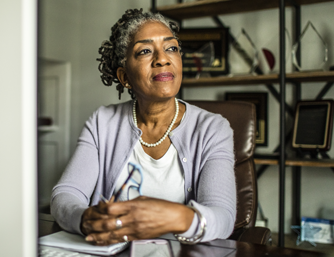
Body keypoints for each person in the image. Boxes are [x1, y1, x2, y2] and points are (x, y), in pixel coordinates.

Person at [51, 8, 236, 246]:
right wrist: (85, 218)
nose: (162, 58)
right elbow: (65, 195)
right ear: (125, 76)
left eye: (171, 48)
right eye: (145, 51)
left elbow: (224, 218)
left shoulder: (213, 128)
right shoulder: (102, 122)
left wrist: (175, 216)